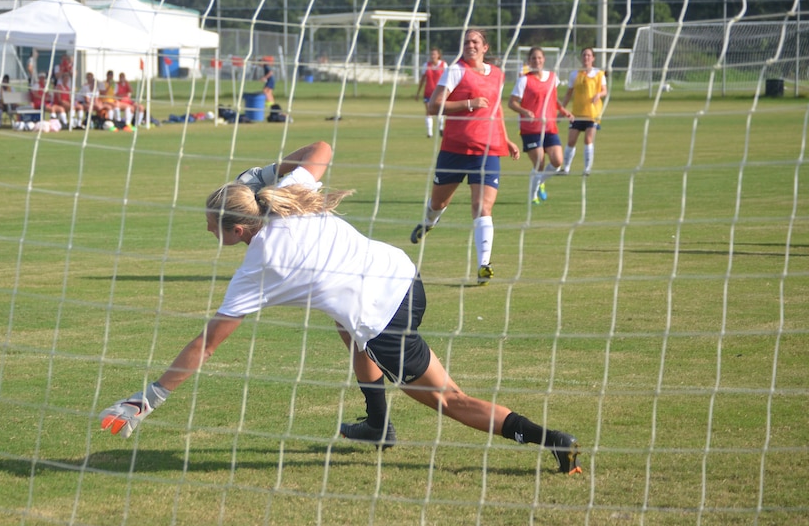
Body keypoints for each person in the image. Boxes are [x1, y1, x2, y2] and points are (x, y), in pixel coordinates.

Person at [98, 142, 582, 476]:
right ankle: (376, 425)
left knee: (449, 399)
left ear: (241, 228)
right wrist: (263, 174)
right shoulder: (289, 198)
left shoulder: (260, 265)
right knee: (346, 326)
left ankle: (550, 440)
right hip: (405, 278)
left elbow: (207, 343)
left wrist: (150, 397)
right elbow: (321, 149)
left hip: (385, 319)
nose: (208, 233)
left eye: (214, 227)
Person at [410, 29, 520, 286]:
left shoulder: (498, 75)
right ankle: (429, 222)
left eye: (475, 41)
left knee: (482, 207)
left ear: (485, 47)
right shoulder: (456, 70)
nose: (470, 45)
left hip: (488, 149)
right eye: (466, 42)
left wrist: (506, 140)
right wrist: (468, 103)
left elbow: (496, 110)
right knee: (438, 203)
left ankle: (484, 264)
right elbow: (433, 106)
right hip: (455, 149)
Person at [507, 47, 573, 204]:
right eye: (533, 59)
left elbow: (553, 100)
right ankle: (533, 195)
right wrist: (525, 111)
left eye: (539, 58)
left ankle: (539, 182)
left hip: (549, 127)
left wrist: (564, 111)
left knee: (557, 161)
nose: (536, 61)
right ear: (529, 62)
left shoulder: (552, 78)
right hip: (530, 129)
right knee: (539, 162)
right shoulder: (524, 80)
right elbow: (512, 103)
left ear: (544, 59)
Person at [562, 47, 606, 176]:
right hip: (577, 113)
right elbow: (568, 94)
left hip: (592, 114)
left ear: (593, 58)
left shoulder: (599, 74)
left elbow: (605, 90)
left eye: (589, 55)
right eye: (584, 55)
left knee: (588, 139)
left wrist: (599, 95)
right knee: (571, 140)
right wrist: (562, 109)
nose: (586, 57)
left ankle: (587, 169)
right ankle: (566, 168)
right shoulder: (575, 74)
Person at [416, 48, 447, 137]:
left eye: (434, 54)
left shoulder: (443, 65)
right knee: (429, 111)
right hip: (428, 92)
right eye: (431, 54)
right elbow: (422, 79)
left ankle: (440, 128)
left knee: (440, 111)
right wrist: (418, 92)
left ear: (438, 55)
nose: (433, 56)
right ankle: (429, 133)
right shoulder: (426, 65)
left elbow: (448, 78)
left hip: (439, 92)